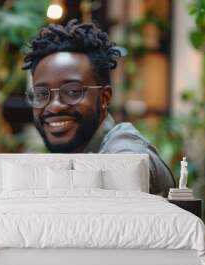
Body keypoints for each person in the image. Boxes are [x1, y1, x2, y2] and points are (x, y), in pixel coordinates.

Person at [22, 19, 175, 196]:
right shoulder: (74, 157)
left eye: (72, 91)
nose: (54, 107)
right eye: (42, 94)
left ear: (104, 97)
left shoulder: (124, 154)